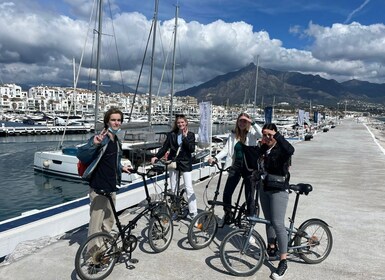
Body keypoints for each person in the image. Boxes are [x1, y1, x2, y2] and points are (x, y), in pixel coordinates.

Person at [244, 123, 294, 280]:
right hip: (264, 188)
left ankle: (283, 261)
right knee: (268, 221)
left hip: (278, 190)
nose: (267, 138)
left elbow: (291, 150)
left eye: (270, 135)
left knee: (278, 223)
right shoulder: (264, 149)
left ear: (275, 135)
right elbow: (253, 159)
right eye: (264, 134)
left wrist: (276, 135)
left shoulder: (282, 150)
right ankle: (271, 248)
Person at [76, 108, 131, 238]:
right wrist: (94, 144)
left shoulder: (116, 140)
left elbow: (112, 160)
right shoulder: (101, 139)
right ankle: (93, 254)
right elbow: (81, 155)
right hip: (98, 187)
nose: (116, 123)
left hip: (111, 185)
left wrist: (121, 167)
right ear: (107, 122)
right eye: (113, 120)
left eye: (119, 120)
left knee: (109, 219)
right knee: (96, 223)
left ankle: (104, 245)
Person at [208, 112, 262, 224]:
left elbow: (261, 135)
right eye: (240, 120)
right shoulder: (233, 135)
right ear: (237, 122)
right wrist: (216, 158)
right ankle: (228, 214)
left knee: (249, 196)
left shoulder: (252, 133)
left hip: (249, 167)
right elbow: (226, 150)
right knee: (227, 192)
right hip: (236, 165)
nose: (242, 123)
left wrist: (253, 123)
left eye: (245, 121)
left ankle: (250, 223)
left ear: (248, 122)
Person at [151, 114, 198, 220]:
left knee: (189, 188)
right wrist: (156, 156)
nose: (180, 124)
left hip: (185, 163)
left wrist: (185, 138)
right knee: (173, 188)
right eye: (178, 123)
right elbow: (165, 148)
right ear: (176, 124)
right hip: (173, 162)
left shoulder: (190, 135)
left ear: (186, 123)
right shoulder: (171, 134)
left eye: (182, 122)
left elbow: (191, 149)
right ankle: (175, 210)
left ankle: (193, 213)